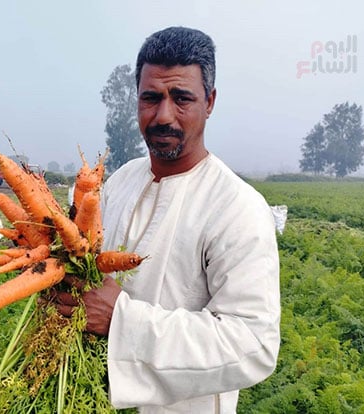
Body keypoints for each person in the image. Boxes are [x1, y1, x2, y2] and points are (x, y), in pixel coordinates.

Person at [55, 26, 280, 413]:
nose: (163, 116)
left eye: (181, 99)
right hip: (89, 396)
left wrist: (123, 321)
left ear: (209, 102)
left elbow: (253, 344)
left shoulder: (236, 206)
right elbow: (88, 266)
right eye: (151, 98)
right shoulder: (122, 180)